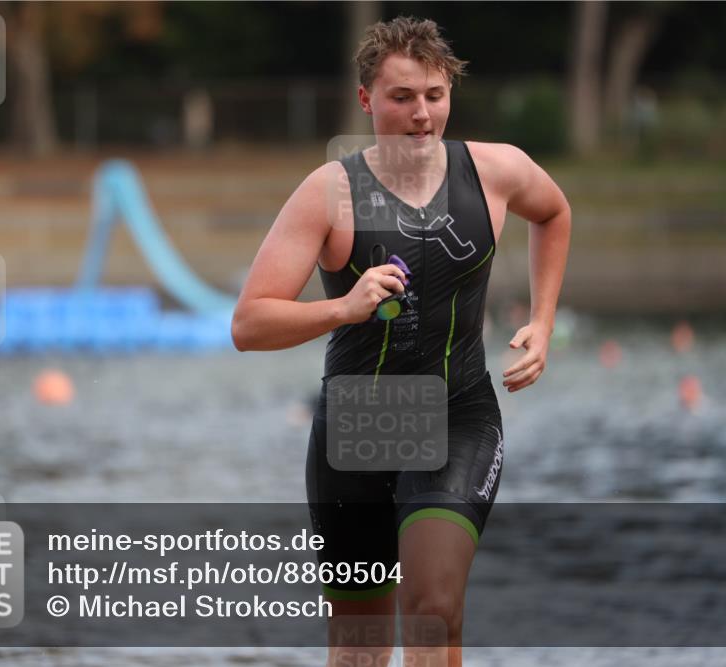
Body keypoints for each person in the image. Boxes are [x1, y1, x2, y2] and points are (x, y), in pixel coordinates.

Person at [232, 16, 571, 667]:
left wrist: (544, 320)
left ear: (450, 95)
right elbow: (249, 324)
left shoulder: (495, 171)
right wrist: (343, 306)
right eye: (402, 97)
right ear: (366, 100)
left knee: (432, 609)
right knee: (359, 650)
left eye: (434, 96)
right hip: (359, 426)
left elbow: (554, 212)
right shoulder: (329, 193)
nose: (421, 114)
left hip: (458, 414)